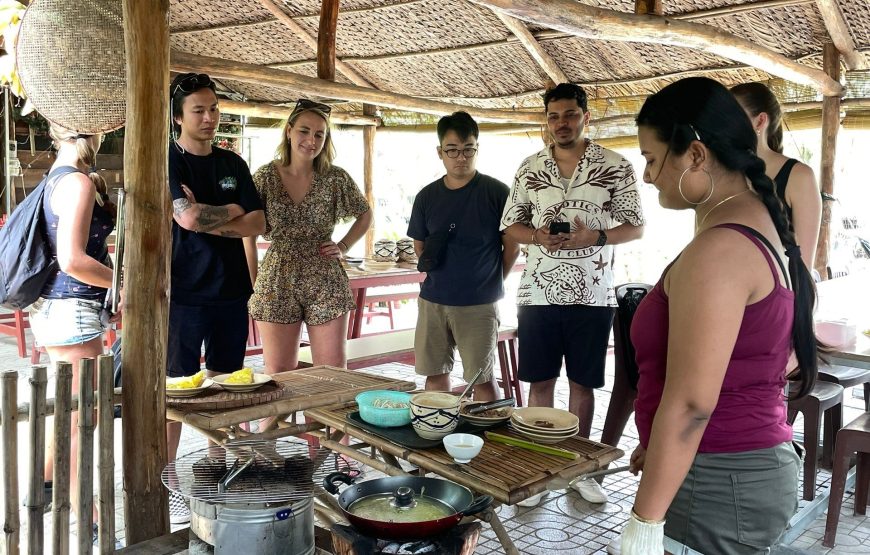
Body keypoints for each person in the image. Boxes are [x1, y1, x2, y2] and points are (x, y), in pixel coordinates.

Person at [615, 77, 820, 555]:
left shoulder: (721, 249)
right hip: (728, 468)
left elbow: (692, 405)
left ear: (695, 155)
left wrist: (643, 523)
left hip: (718, 478)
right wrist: (659, 443)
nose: (646, 176)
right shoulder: (754, 223)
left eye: (651, 158)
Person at [500, 83, 645, 505]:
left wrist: (594, 236)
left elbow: (635, 226)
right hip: (537, 293)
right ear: (546, 121)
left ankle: (579, 469)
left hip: (593, 295)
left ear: (585, 116)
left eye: (569, 114)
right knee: (540, 382)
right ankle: (538, 469)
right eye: (553, 116)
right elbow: (511, 225)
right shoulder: (530, 168)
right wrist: (537, 236)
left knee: (583, 384)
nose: (561, 123)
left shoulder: (615, 165)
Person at [167, 72, 266, 523]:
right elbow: (185, 219)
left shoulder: (233, 163)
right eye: (198, 111)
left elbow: (258, 223)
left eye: (213, 109)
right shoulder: (170, 161)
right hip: (183, 292)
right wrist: (231, 212)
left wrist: (210, 215)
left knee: (226, 384)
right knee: (176, 390)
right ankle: (166, 477)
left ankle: (218, 469)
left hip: (230, 290)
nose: (208, 118)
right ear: (178, 117)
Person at [29, 124, 119, 544]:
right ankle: (91, 518)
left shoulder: (57, 177)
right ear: (94, 133)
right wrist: (123, 282)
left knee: (69, 409)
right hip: (73, 309)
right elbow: (72, 260)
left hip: (53, 308)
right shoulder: (78, 183)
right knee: (85, 418)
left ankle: (44, 484)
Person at [245, 99, 371, 374]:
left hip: (325, 276)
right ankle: (279, 410)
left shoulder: (335, 178)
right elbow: (248, 234)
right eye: (304, 131)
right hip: (276, 277)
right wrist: (255, 283)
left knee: (332, 370)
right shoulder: (265, 177)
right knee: (280, 372)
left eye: (319, 134)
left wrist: (343, 245)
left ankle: (327, 408)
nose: (311, 140)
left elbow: (365, 214)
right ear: (289, 131)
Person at [407, 111, 519, 402]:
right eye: (452, 150)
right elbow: (420, 247)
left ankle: (491, 431)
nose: (461, 157)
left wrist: (490, 282)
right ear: (440, 152)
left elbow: (512, 247)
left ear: (477, 148)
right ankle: (437, 426)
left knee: (481, 380)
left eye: (468, 149)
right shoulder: (427, 196)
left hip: (479, 304)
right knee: (434, 376)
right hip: (433, 301)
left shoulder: (497, 193)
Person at [731, 82, 821, 271]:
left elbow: (803, 267)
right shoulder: (722, 173)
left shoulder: (799, 177)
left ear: (760, 121)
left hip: (778, 287)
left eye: (732, 117)